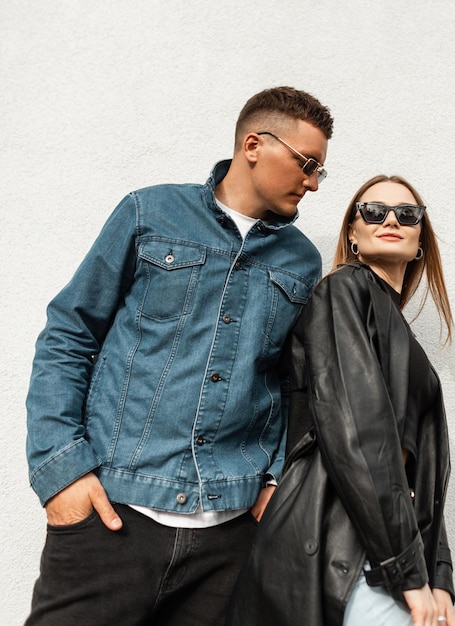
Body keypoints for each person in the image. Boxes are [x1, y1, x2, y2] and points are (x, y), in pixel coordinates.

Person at [25, 86, 333, 625]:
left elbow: (292, 384)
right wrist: (62, 472)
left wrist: (275, 481)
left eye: (320, 172)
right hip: (115, 518)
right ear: (253, 144)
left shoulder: (300, 261)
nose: (312, 182)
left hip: (230, 540)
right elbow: (70, 334)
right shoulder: (150, 212)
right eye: (307, 164)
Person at [226, 175, 455, 626]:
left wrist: (439, 578)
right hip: (345, 548)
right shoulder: (344, 292)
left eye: (407, 214)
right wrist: (412, 576)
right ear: (353, 234)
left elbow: (421, 478)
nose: (391, 219)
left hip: (385, 551)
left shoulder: (403, 338)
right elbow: (360, 434)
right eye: (373, 211)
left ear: (419, 243)